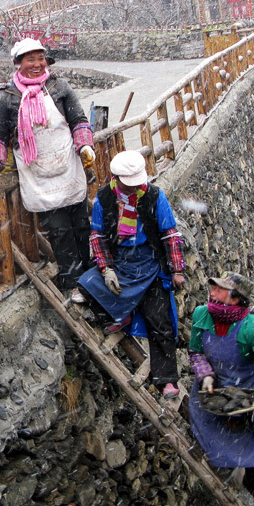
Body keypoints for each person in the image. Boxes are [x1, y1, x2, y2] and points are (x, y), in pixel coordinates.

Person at [0, 38, 95, 291]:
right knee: (58, 230)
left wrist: (85, 145)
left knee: (80, 224)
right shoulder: (7, 97)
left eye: (40, 58)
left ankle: (89, 273)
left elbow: (78, 120)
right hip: (37, 172)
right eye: (30, 59)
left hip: (67, 164)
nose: (37, 64)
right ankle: (72, 281)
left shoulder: (59, 86)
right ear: (18, 64)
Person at [74, 150, 184, 397]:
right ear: (117, 178)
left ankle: (166, 379)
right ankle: (120, 314)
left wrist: (176, 269)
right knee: (86, 286)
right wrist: (106, 269)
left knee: (160, 321)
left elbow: (170, 234)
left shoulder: (155, 196)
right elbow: (98, 236)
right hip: (121, 263)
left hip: (150, 262)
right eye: (129, 184)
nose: (134, 189)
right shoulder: (104, 198)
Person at [189, 271, 254, 506]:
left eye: (219, 289)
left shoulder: (251, 326)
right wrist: (206, 375)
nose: (211, 292)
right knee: (213, 430)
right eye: (213, 288)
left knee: (252, 444)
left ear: (234, 299)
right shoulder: (202, 315)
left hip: (248, 392)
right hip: (217, 388)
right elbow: (196, 352)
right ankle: (231, 475)